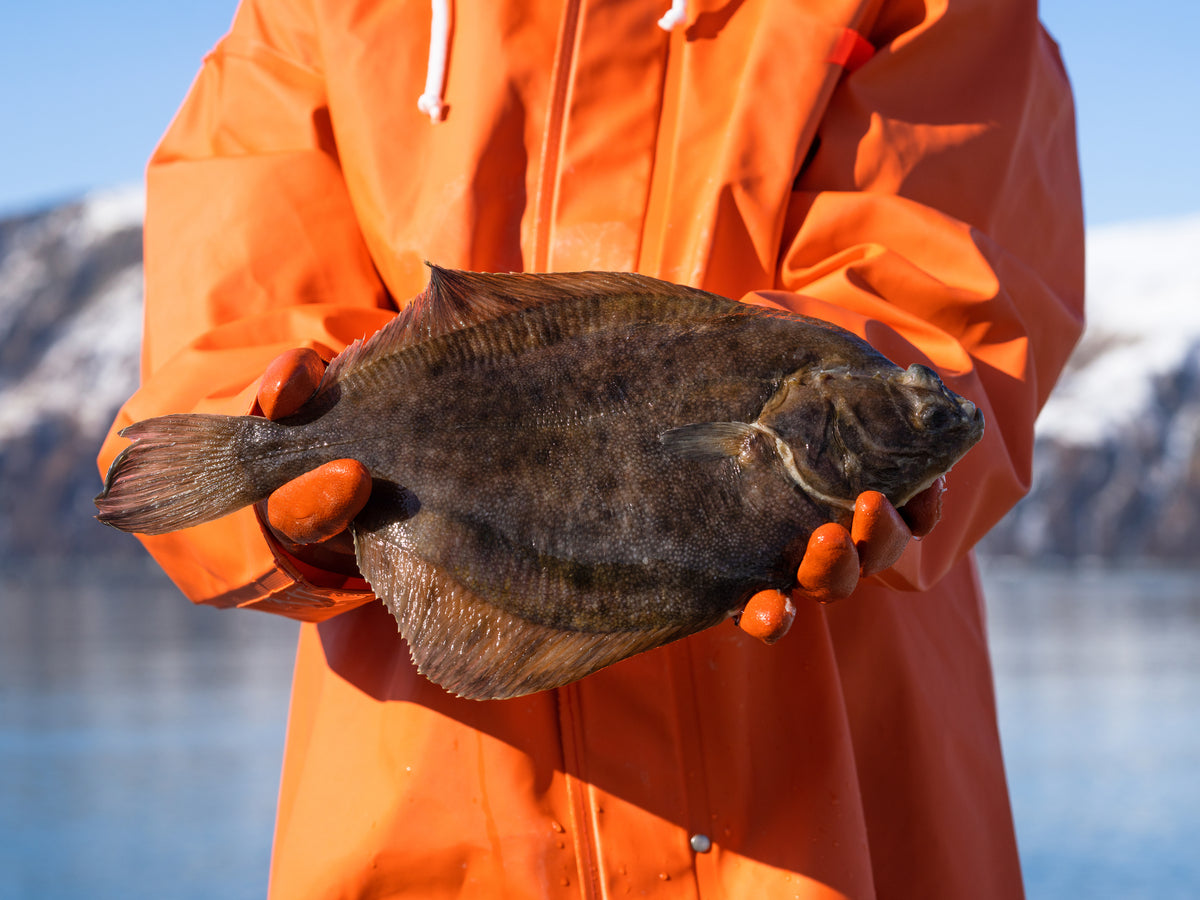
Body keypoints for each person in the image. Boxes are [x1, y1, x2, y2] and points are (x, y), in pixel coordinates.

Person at [98, 0, 1084, 896]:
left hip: (833, 807)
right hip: (439, 829)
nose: (919, 412)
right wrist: (280, 499)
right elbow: (219, 337)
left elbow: (954, 295)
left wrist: (891, 404)